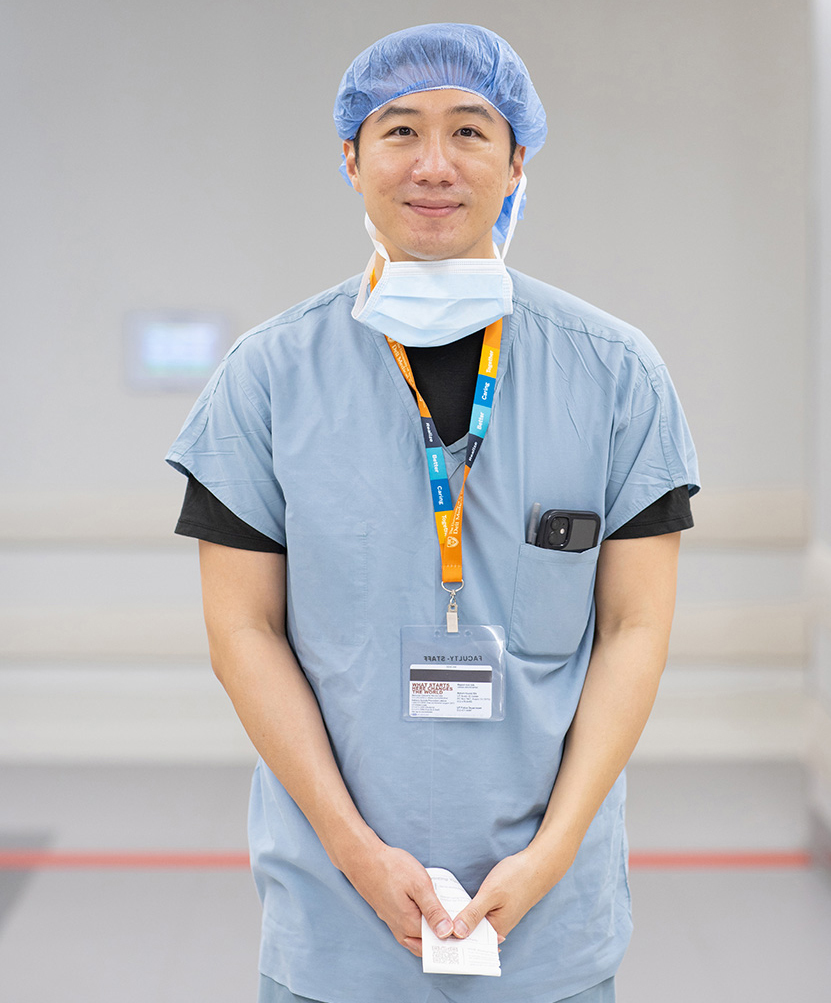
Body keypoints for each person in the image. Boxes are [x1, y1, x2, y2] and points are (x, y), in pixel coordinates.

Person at [167, 22, 698, 1003]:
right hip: (334, 916)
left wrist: (548, 858)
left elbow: (633, 628)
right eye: (399, 131)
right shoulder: (269, 378)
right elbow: (244, 628)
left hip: (550, 918)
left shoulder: (616, 375)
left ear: (518, 160)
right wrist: (355, 851)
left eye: (470, 131)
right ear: (351, 158)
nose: (434, 165)